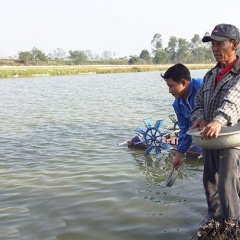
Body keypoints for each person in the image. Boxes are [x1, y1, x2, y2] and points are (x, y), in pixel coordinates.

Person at [190, 23, 240, 238]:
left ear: (235, 44)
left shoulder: (238, 73)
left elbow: (234, 100)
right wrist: (199, 117)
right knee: (209, 180)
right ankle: (215, 219)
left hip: (231, 139)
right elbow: (199, 102)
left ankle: (232, 227)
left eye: (220, 43)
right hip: (211, 137)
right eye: (213, 44)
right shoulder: (211, 75)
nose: (215, 48)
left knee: (227, 185)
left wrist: (219, 119)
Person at [161, 63, 203, 169]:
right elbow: (185, 131)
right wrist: (179, 155)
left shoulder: (204, 87)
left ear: (183, 82)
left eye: (171, 86)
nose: (169, 91)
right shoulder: (178, 104)